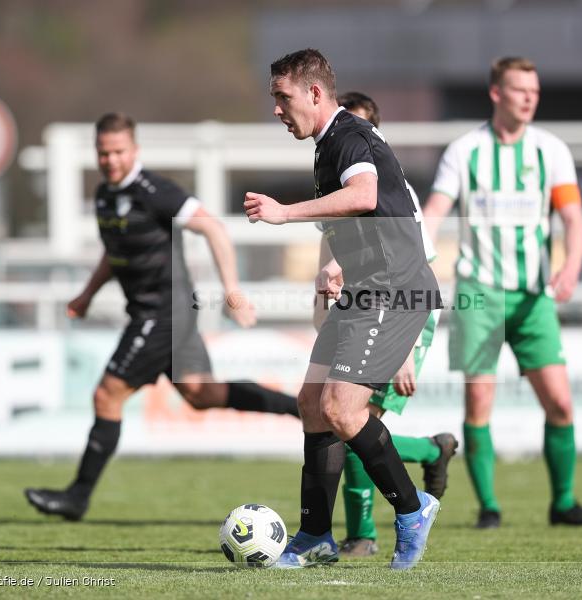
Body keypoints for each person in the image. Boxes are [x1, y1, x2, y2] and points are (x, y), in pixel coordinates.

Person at [25, 112, 299, 521]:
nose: (111, 160)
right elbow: (114, 254)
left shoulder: (156, 191)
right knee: (200, 393)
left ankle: (78, 496)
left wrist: (233, 292)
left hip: (163, 312)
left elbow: (213, 228)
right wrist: (86, 295)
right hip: (161, 313)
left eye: (118, 152)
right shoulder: (104, 195)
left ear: (134, 150)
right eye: (103, 153)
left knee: (107, 394)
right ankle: (299, 408)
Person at [244, 49, 442, 570]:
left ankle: (412, 508)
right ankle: (314, 537)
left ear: (314, 93)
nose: (277, 110)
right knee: (312, 402)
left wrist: (285, 213)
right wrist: (339, 267)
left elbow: (364, 193)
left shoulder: (348, 136)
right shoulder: (326, 143)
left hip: (395, 291)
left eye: (282, 98)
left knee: (342, 409)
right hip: (366, 289)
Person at [422, 57, 582, 529]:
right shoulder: (465, 150)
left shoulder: (550, 150)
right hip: (479, 294)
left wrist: (570, 266)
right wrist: (417, 260)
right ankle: (489, 507)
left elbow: (573, 219)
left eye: (534, 89)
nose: (529, 97)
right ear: (496, 93)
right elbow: (433, 212)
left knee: (560, 403)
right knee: (479, 404)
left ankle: (563, 503)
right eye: (519, 89)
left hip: (534, 297)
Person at [314, 91, 456, 559]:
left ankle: (372, 529)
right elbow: (333, 263)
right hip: (363, 308)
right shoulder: (334, 180)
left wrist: (406, 353)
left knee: (353, 421)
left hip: (402, 314)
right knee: (343, 420)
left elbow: (419, 273)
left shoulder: (394, 193)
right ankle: (349, 534)